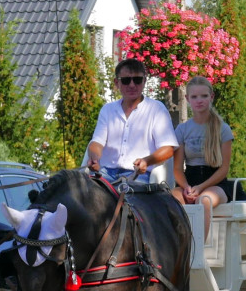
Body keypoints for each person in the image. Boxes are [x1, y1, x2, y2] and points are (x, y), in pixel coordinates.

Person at [86, 58, 178, 182]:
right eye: (125, 81)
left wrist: (146, 160)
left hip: (138, 175)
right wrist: (94, 158)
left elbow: (168, 149)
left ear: (144, 81)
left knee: (126, 197)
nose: (132, 85)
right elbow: (96, 143)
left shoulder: (157, 109)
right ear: (116, 83)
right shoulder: (107, 110)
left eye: (137, 80)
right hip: (106, 173)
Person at [171, 76, 234, 237]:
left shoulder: (223, 129)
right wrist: (186, 188)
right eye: (194, 96)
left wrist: (200, 188)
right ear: (187, 99)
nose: (199, 100)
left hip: (215, 182)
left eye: (204, 96)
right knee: (171, 199)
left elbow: (224, 169)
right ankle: (177, 250)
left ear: (211, 97)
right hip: (189, 181)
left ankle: (198, 253)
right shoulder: (182, 130)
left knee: (204, 200)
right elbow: (177, 168)